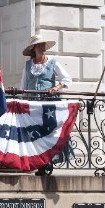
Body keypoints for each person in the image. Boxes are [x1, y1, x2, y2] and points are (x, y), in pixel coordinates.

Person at [17, 35, 73, 174]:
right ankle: (36, 162)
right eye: (39, 45)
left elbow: (67, 79)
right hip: (32, 104)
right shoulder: (28, 65)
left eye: (43, 45)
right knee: (34, 133)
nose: (42, 48)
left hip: (47, 104)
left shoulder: (53, 63)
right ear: (33, 48)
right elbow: (23, 85)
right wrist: (22, 103)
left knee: (49, 133)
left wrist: (57, 87)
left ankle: (47, 162)